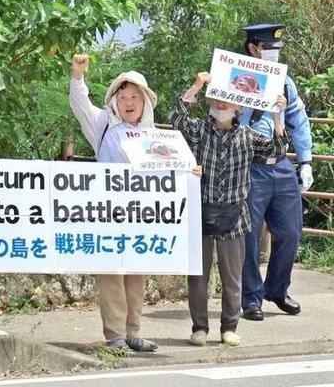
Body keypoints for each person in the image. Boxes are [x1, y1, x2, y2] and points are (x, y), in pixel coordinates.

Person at [170, 71, 287, 347]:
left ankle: (229, 327)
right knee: (197, 275)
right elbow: (176, 119)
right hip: (200, 212)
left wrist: (277, 116)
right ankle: (199, 327)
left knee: (232, 276)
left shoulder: (247, 136)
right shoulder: (199, 130)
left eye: (227, 100)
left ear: (238, 106)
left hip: (236, 216)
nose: (221, 105)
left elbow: (276, 153)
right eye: (217, 98)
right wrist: (197, 84)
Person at [69, 53, 160, 352]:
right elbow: (81, 107)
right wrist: (78, 76)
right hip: (108, 213)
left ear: (145, 101)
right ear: (115, 102)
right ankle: (115, 336)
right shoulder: (104, 127)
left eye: (135, 96)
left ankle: (134, 331)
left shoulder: (154, 135)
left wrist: (190, 171)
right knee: (111, 274)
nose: (129, 102)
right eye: (123, 97)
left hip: (142, 215)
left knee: (137, 272)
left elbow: (170, 171)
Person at [239, 24, 313, 321]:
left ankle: (277, 289)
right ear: (252, 49)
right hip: (250, 164)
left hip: (281, 164)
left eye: (277, 49)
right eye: (268, 48)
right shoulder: (237, 77)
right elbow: (224, 118)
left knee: (291, 231)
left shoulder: (286, 82)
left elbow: (300, 120)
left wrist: (305, 161)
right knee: (250, 236)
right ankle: (251, 298)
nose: (274, 53)